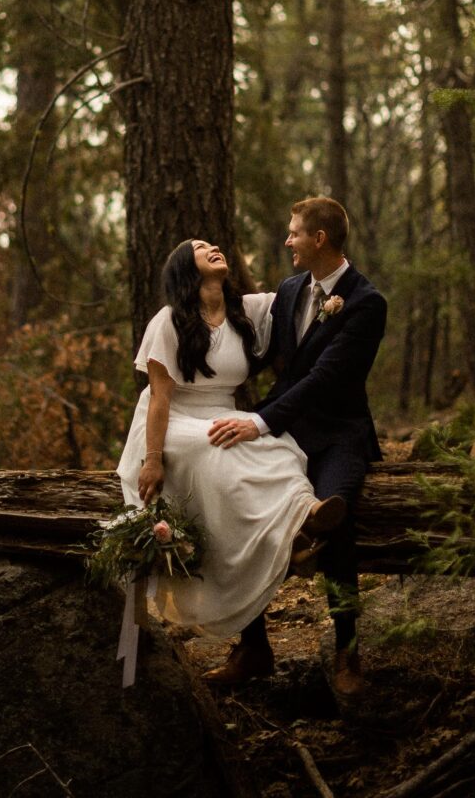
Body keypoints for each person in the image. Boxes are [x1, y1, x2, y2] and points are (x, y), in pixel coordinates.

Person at [116, 238, 345, 642]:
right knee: (217, 446)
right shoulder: (168, 321)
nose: (214, 247)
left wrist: (334, 292)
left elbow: (302, 296)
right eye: (201, 247)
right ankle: (287, 537)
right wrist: (152, 459)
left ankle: (305, 518)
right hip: (174, 420)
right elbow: (158, 400)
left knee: (275, 445)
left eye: (215, 243)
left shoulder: (247, 310)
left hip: (224, 413)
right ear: (187, 267)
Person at [207, 197, 387, 697]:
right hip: (287, 427)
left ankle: (347, 648)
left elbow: (327, 379)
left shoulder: (367, 302)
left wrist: (260, 421)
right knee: (234, 492)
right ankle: (253, 645)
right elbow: (262, 357)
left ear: (319, 239)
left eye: (294, 233)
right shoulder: (288, 292)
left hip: (339, 432)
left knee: (337, 512)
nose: (287, 241)